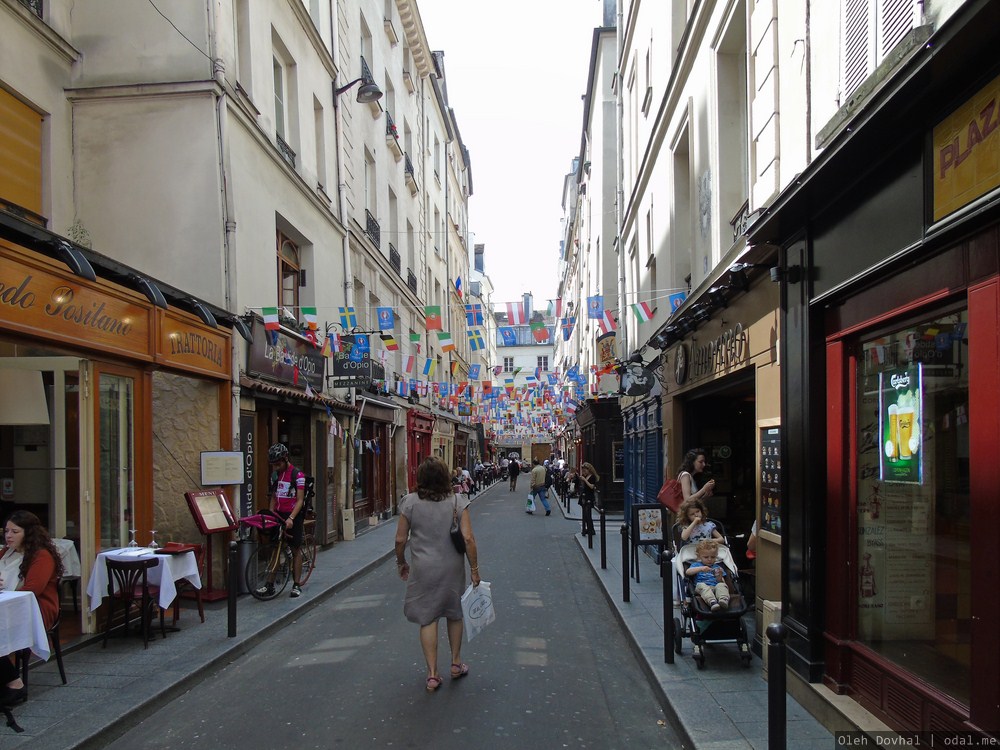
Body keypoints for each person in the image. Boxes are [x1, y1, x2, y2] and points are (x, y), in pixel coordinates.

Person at [395, 457, 481, 693]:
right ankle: (455, 663)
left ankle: (432, 674)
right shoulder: (457, 501)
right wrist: (474, 570)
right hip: (452, 566)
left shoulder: (409, 503)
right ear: (445, 477)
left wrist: (401, 562)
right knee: (454, 613)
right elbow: (469, 539)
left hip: (423, 568)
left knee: (428, 617)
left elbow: (400, 539)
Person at [0, 510, 64, 706]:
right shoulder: (5, 552)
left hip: (35, 608)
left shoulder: (42, 556)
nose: (8, 536)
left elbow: (32, 590)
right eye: (6, 531)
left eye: (14, 532)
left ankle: (14, 682)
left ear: (29, 533)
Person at [258, 443, 306, 598]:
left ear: (286, 458)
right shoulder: (276, 476)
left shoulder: (297, 475)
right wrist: (271, 513)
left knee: (295, 549)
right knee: (275, 548)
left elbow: (300, 500)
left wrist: (291, 518)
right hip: (278, 514)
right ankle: (270, 585)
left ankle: (297, 584)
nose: (276, 467)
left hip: (293, 515)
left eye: (278, 464)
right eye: (274, 465)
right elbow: (273, 496)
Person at [685, 539, 730, 612]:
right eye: (706, 557)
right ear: (699, 557)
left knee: (721, 585)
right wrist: (701, 569)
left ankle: (723, 599)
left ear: (716, 556)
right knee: (701, 585)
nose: (709, 559)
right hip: (702, 588)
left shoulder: (717, 567)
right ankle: (712, 602)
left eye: (713, 557)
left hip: (715, 587)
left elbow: (720, 581)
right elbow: (688, 572)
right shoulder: (696, 565)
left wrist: (719, 576)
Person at [577, 462, 600, 538]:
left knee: (588, 514)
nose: (584, 471)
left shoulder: (592, 477)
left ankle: (591, 530)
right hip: (584, 496)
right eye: (583, 470)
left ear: (589, 469)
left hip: (589, 497)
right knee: (585, 515)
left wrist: (585, 480)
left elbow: (591, 487)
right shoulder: (585, 476)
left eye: (585, 470)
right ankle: (588, 528)